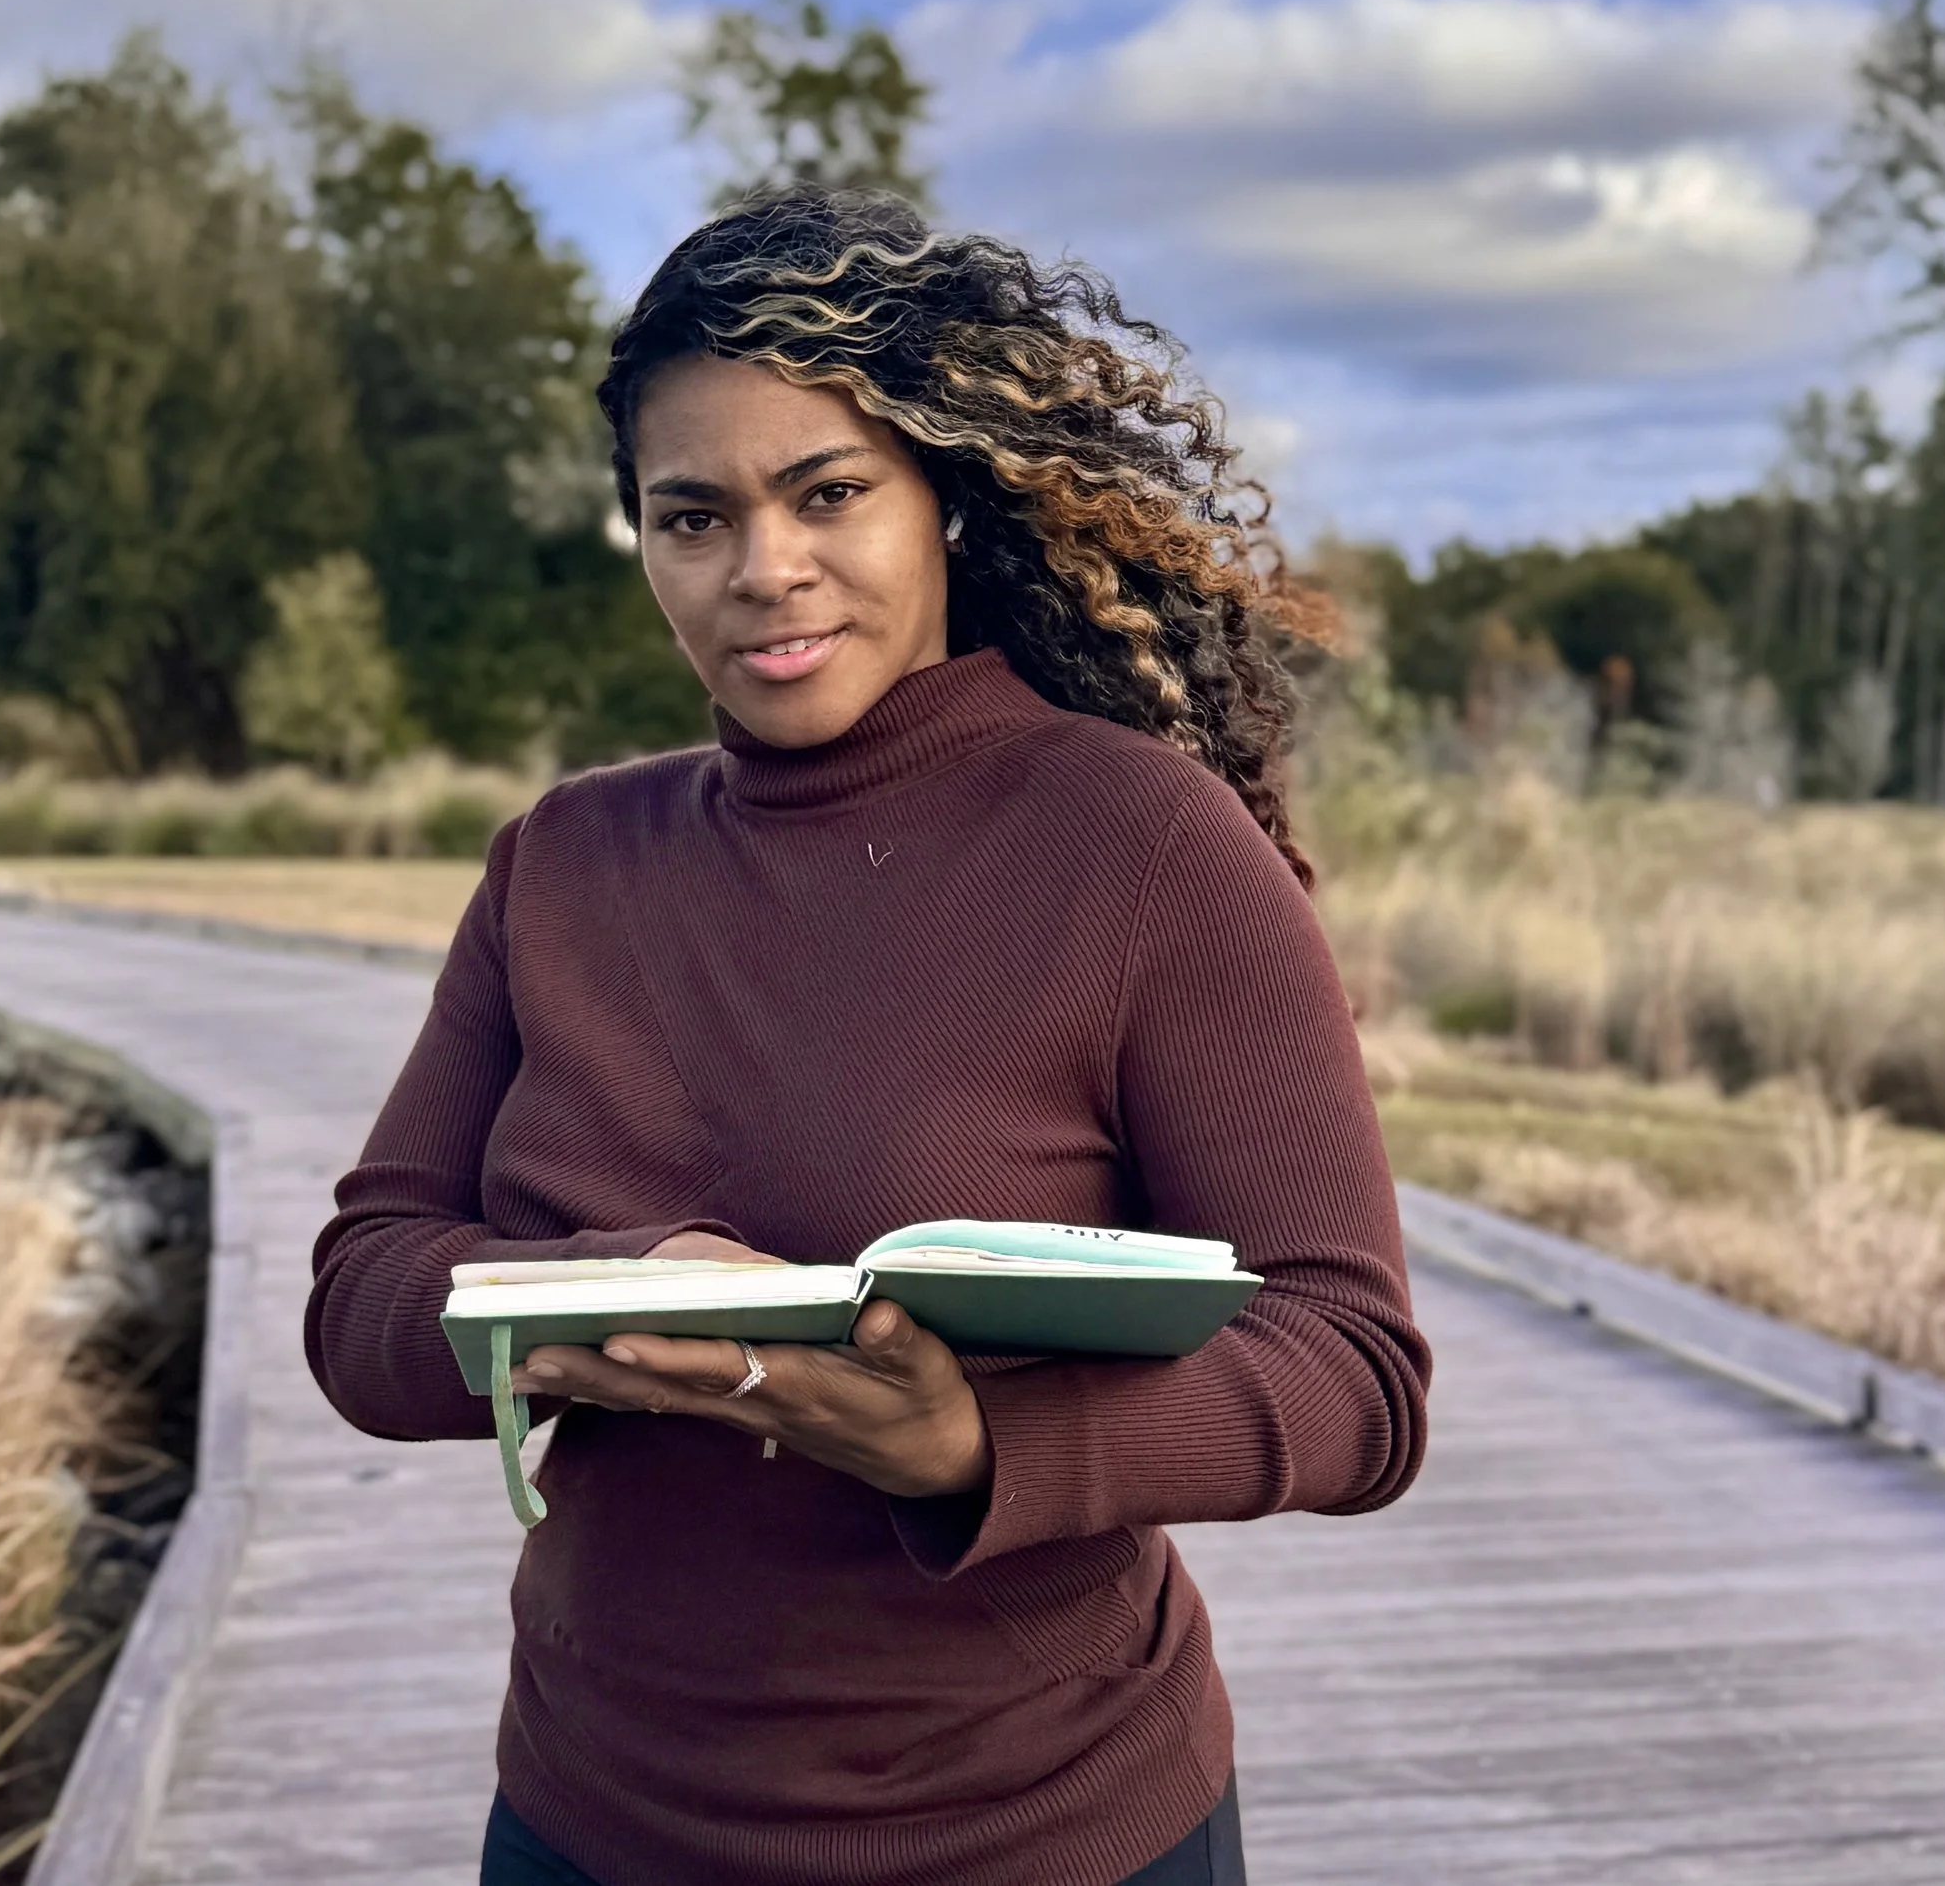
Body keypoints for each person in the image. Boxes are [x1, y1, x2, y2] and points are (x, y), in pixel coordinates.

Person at [305, 187, 1431, 1886]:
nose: (766, 570)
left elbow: (1355, 1375)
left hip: (1048, 1836)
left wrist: (979, 1445)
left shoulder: (1142, 849)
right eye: (693, 518)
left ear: (946, 505)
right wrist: (595, 1304)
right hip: (590, 1828)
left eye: (828, 493)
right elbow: (364, 1296)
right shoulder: (564, 861)